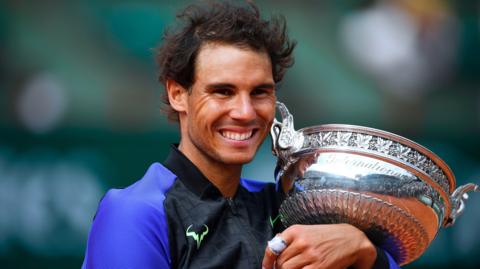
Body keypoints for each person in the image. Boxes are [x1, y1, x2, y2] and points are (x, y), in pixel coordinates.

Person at [82, 1, 400, 268]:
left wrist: (365, 252)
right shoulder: (134, 213)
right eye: (223, 91)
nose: (245, 112)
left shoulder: (293, 208)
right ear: (179, 94)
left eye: (260, 92)